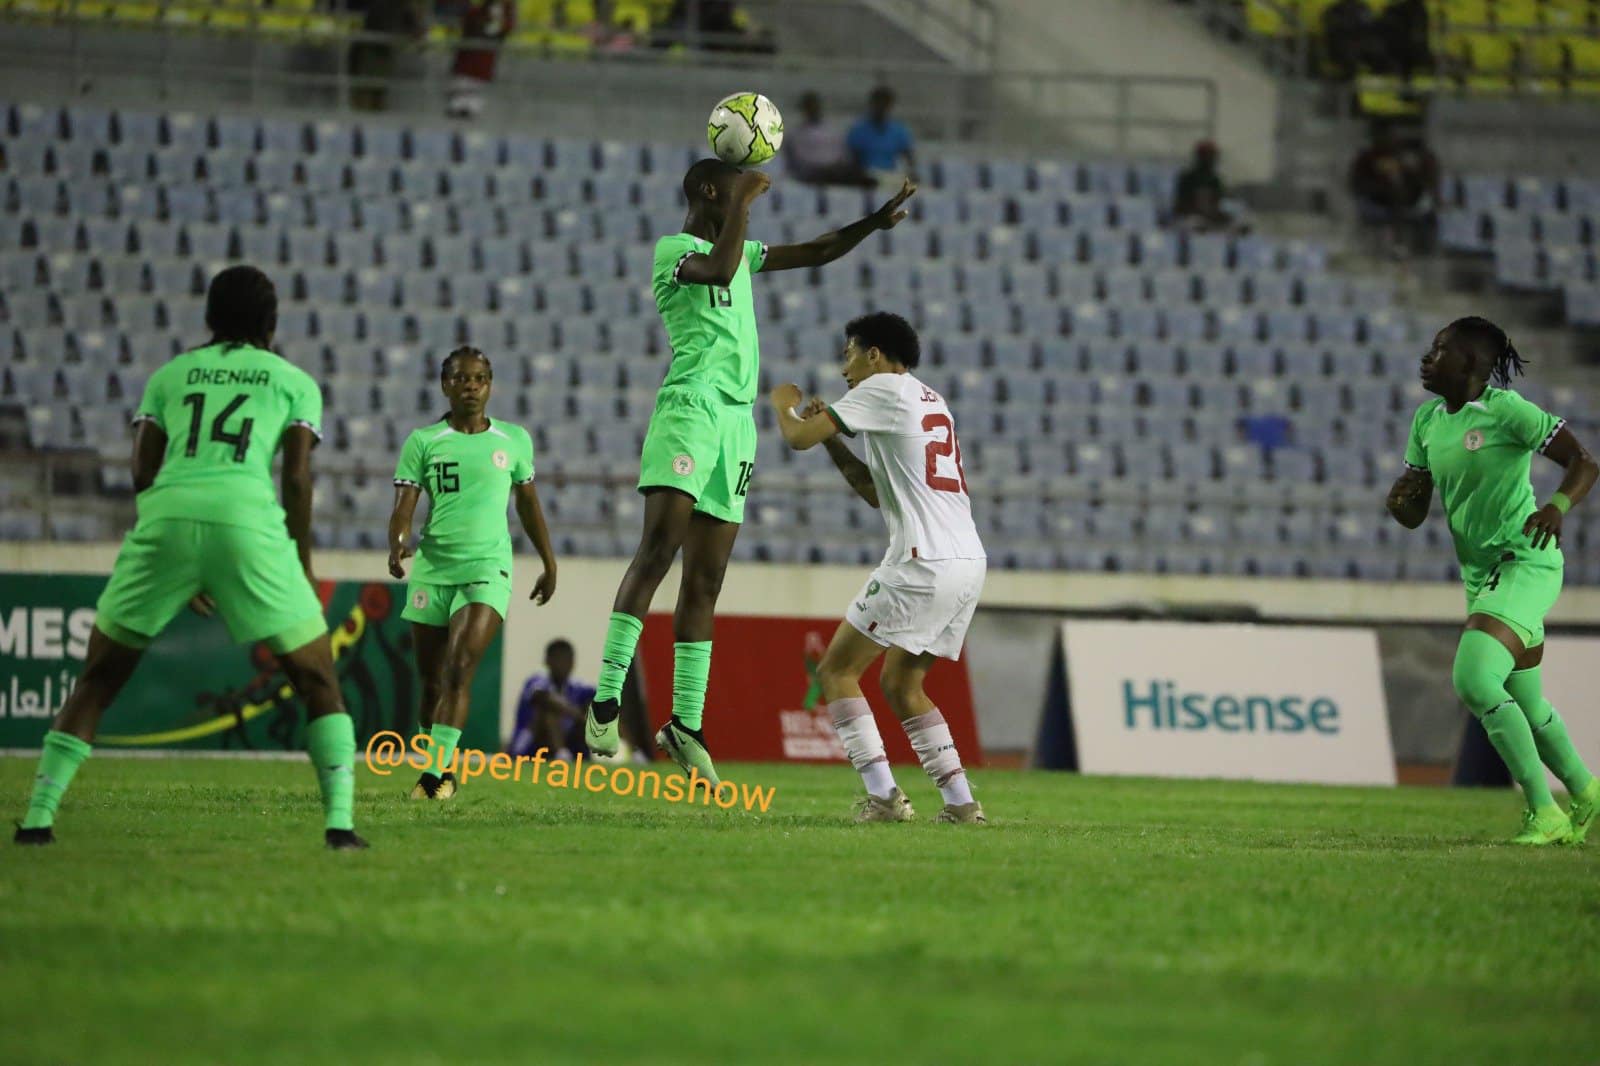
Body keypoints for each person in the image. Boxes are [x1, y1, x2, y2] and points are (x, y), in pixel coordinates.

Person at [581, 159, 916, 788]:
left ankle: (685, 724)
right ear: (712, 191)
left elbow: (816, 251)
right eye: (738, 193)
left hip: (736, 423)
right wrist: (741, 201)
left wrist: (872, 223)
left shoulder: (743, 249)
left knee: (705, 580)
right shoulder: (675, 251)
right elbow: (715, 267)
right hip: (690, 408)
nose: (751, 203)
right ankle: (604, 699)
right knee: (657, 553)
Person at [13, 266, 366, 850]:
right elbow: (298, 480)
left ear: (209, 318)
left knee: (96, 680)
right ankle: (340, 828)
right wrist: (301, 560)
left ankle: (38, 821)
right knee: (317, 680)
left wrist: (178, 551)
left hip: (169, 516)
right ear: (271, 325)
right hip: (247, 524)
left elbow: (141, 469)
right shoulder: (293, 381)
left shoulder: (169, 374)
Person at [1386, 316, 1600, 845]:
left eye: (1440, 351)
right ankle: (1587, 791)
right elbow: (1414, 505)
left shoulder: (1507, 412)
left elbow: (1583, 462)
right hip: (1482, 574)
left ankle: (1544, 812)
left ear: (1473, 366)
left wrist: (1555, 505)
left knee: (1475, 679)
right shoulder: (1427, 421)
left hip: (1527, 561)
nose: (1427, 359)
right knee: (1526, 704)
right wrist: (1402, 501)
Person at [769, 312, 987, 824]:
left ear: (874, 355)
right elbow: (874, 492)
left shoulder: (882, 387)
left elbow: (794, 437)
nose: (843, 368)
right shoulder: (931, 399)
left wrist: (784, 405)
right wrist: (831, 437)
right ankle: (961, 805)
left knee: (836, 671)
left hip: (921, 559)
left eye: (848, 354)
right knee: (902, 685)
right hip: (967, 563)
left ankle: (885, 798)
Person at [388, 346, 557, 800]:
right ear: (445, 385)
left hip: (488, 567)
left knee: (460, 668)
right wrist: (397, 541)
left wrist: (548, 560)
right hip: (434, 567)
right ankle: (438, 769)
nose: (471, 386)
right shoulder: (423, 441)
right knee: (431, 684)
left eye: (480, 378)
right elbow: (405, 505)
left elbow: (527, 503)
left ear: (490, 384)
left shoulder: (513, 440)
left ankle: (432, 779)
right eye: (461, 378)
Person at [1349, 123, 1439, 257]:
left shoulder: (1402, 156)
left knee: (1426, 214)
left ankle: (1422, 251)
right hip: (1376, 201)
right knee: (1394, 197)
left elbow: (1419, 181)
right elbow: (1357, 183)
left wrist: (1411, 174)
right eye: (1384, 138)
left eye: (1391, 138)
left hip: (1406, 201)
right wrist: (1378, 187)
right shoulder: (1366, 158)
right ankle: (1394, 245)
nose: (1389, 140)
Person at [508, 639, 596, 761]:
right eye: (559, 659)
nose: (564, 664)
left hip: (567, 740)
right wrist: (574, 713)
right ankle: (561, 754)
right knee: (548, 712)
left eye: (568, 660)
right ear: (548, 661)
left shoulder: (577, 686)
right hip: (531, 744)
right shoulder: (536, 681)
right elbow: (542, 696)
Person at [786, 91, 872, 188]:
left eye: (815, 106)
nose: (813, 110)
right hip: (812, 172)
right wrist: (823, 166)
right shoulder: (796, 134)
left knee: (857, 173)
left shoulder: (832, 130)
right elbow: (800, 161)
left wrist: (836, 165)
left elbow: (842, 154)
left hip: (833, 170)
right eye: (810, 107)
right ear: (804, 109)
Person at [447, 0, 515, 120]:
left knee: (474, 91)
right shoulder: (476, 12)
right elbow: (468, 24)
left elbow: (506, 29)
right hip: (469, 57)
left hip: (484, 59)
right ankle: (458, 106)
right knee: (462, 87)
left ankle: (469, 109)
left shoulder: (505, 11)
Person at [846, 87, 916, 185]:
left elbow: (908, 157)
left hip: (890, 174)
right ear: (871, 104)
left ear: (890, 106)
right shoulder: (859, 130)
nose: (880, 107)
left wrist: (912, 172)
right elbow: (854, 160)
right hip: (868, 175)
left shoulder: (899, 130)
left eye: (884, 104)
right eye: (878, 103)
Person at [1171, 140, 1235, 232]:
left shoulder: (1215, 180)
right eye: (1207, 156)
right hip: (1190, 217)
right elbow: (1181, 204)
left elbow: (1217, 202)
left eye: (1211, 157)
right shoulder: (1187, 178)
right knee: (1194, 223)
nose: (1210, 160)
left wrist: (1213, 213)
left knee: (1232, 222)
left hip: (1210, 218)